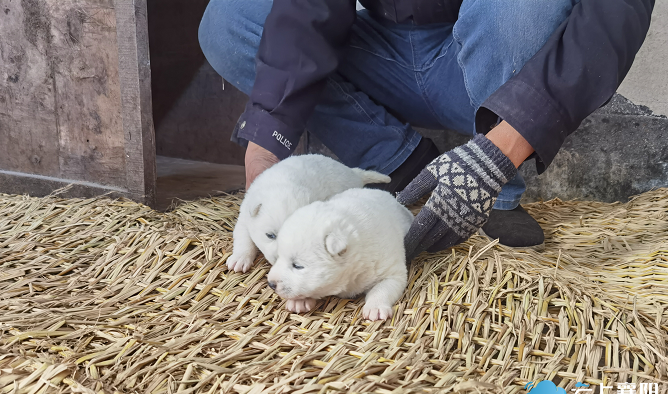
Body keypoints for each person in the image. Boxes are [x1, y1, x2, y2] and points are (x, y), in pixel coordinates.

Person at [198, 0, 654, 259]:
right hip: (379, 47)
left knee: (521, 8)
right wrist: (267, 138)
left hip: (481, 47)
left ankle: (495, 186)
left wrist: (499, 152)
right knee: (231, 21)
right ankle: (402, 162)